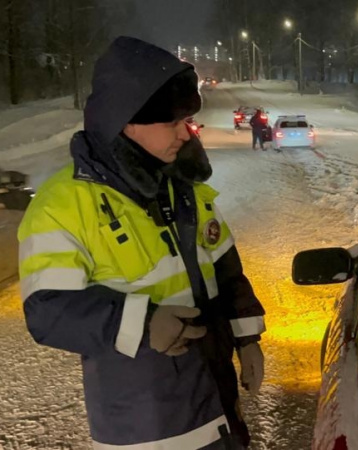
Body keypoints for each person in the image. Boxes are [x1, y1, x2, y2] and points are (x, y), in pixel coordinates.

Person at [18, 36, 266, 449]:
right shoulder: (62, 205)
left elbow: (225, 269)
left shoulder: (181, 187)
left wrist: (247, 338)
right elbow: (47, 311)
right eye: (171, 122)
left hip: (218, 405)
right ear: (125, 122)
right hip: (147, 428)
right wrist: (143, 322)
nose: (186, 134)